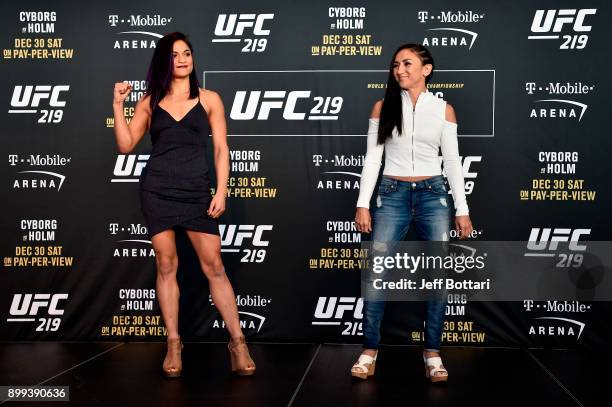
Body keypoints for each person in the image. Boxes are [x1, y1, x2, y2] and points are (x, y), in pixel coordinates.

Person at [112, 32, 255, 378]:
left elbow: (221, 149)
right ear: (165, 61)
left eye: (187, 53)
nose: (182, 59)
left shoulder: (210, 99)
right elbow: (126, 145)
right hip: (157, 190)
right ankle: (174, 343)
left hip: (195, 192)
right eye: (174, 55)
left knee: (214, 267)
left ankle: (238, 343)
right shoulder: (150, 101)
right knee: (166, 264)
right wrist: (118, 105)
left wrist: (221, 191)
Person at [351, 43, 473, 382]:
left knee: (436, 277)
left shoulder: (444, 110)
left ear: (426, 69)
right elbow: (373, 158)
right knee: (376, 274)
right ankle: (369, 350)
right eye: (395, 65)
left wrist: (461, 210)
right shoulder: (383, 106)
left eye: (407, 63)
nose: (400, 70)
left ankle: (432, 353)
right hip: (391, 195)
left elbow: (451, 163)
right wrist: (363, 202)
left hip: (434, 196)